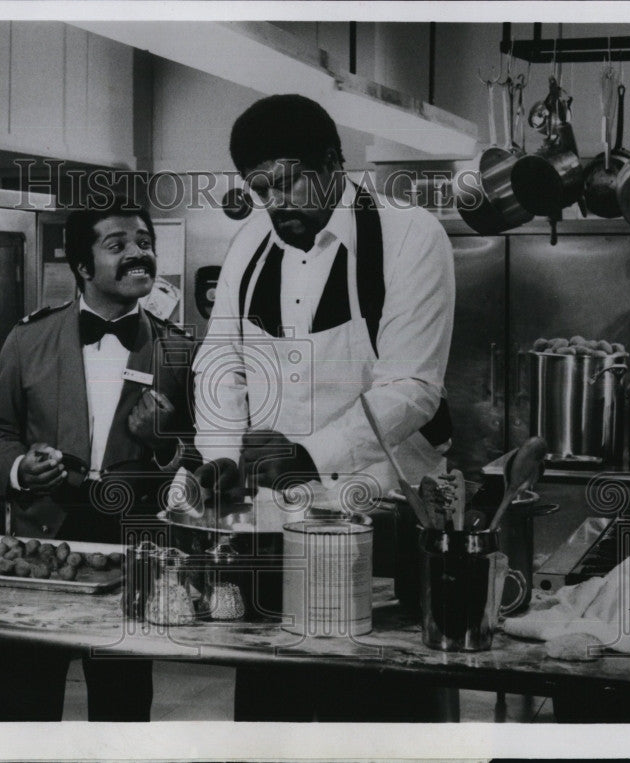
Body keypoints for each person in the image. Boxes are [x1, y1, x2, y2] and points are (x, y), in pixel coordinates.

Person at [192, 94, 456, 721]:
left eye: (288, 183)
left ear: (333, 163)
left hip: (384, 529)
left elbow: (412, 387)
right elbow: (220, 361)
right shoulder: (251, 243)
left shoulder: (409, 236)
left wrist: (308, 454)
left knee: (378, 721)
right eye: (260, 189)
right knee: (270, 714)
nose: (277, 203)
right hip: (278, 536)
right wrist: (223, 456)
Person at [0, 196, 198, 721]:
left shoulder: (179, 350)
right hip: (41, 539)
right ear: (80, 267)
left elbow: (205, 459)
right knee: (27, 702)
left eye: (144, 244)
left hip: (131, 546)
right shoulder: (29, 339)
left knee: (122, 704)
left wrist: (165, 443)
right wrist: (19, 467)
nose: (137, 255)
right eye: (116, 245)